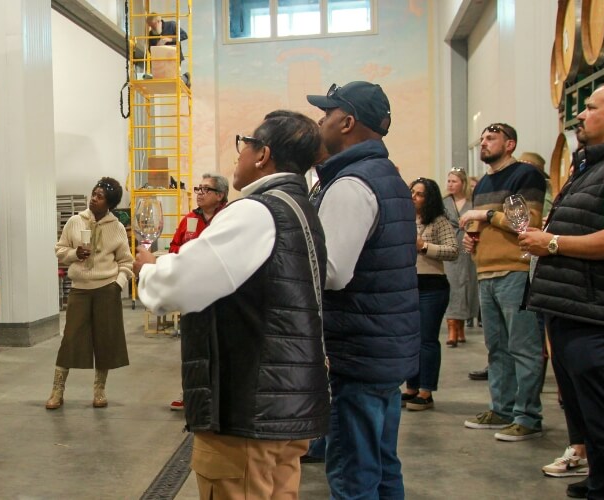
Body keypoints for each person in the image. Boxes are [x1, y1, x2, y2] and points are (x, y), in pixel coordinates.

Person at [134, 110, 330, 499]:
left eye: (245, 145)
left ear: (263, 155)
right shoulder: (302, 210)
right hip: (282, 403)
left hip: (245, 407)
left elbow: (179, 286)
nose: (238, 156)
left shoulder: (256, 212)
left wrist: (149, 269)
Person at [520, 80, 604, 499]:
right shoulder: (595, 165)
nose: (580, 114)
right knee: (595, 426)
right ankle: (602, 489)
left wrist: (555, 244)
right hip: (580, 313)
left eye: (592, 106)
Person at [307, 81, 419, 498]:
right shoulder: (384, 174)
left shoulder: (351, 184)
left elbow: (332, 272)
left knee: (354, 472)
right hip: (382, 346)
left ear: (348, 121)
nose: (321, 121)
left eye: (327, 114)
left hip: (357, 350)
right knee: (382, 463)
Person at [458, 122, 548, 442]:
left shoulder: (525, 175)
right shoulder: (483, 183)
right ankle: (502, 409)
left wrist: (483, 217)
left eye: (491, 138)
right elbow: (488, 224)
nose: (483, 143)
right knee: (497, 349)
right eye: (482, 138)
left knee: (523, 347)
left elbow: (527, 222)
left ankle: (528, 416)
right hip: (486, 272)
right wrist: (475, 240)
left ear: (509, 144)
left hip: (516, 270)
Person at [50, 177, 134, 409]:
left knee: (105, 341)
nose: (93, 199)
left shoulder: (116, 228)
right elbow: (60, 250)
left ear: (110, 204)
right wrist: (75, 254)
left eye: (100, 197)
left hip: (107, 289)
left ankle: (99, 391)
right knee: (69, 339)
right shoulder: (76, 221)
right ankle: (57, 390)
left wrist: (117, 284)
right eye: (93, 194)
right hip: (80, 290)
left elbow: (127, 262)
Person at [167, 172, 228, 411]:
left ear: (220, 195)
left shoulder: (229, 218)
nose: (200, 193)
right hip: (192, 292)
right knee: (193, 346)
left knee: (220, 345)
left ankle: (220, 394)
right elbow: (174, 246)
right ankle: (190, 393)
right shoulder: (189, 219)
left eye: (206, 189)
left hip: (222, 294)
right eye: (198, 189)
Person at [403, 177, 458, 411]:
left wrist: (424, 247)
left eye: (419, 194)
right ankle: (411, 388)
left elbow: (453, 250)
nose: (414, 197)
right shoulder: (404, 220)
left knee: (426, 339)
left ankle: (426, 391)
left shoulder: (439, 221)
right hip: (408, 284)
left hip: (432, 286)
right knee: (410, 340)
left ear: (429, 198)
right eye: (412, 192)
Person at [443, 168, 479, 348]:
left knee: (467, 284)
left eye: (454, 181)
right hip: (449, 247)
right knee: (452, 285)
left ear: (462, 183)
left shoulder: (473, 203)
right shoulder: (443, 203)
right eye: (448, 181)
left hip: (467, 247)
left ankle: (462, 326)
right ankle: (451, 328)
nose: (450, 184)